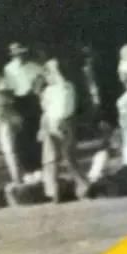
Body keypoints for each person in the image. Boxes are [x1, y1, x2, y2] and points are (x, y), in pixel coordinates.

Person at [39, 59, 90, 201]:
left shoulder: (67, 86)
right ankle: (54, 191)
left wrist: (54, 68)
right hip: (51, 124)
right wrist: (43, 127)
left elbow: (62, 88)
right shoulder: (48, 91)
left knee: (68, 156)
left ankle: (82, 184)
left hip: (65, 123)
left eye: (50, 74)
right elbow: (46, 111)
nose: (48, 77)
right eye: (47, 74)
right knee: (51, 159)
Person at [3, 43, 45, 176]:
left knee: (35, 133)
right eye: (16, 54)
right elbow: (9, 89)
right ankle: (27, 168)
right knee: (22, 136)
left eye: (21, 53)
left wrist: (36, 90)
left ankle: (39, 166)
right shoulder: (9, 68)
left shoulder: (35, 67)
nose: (19, 55)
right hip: (18, 101)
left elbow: (39, 85)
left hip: (33, 100)